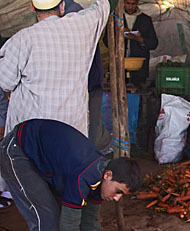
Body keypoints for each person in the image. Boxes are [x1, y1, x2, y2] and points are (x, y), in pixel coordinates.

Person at [0, 119, 141, 231]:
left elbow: (90, 223)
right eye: (118, 192)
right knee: (48, 219)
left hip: (43, 157)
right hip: (17, 152)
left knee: (72, 216)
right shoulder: (83, 175)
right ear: (108, 175)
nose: (116, 198)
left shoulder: (100, 180)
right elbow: (68, 229)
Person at [0, 0, 116, 137]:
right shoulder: (81, 27)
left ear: (32, 7)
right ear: (62, 6)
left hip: (31, 133)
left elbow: (5, 82)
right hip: (71, 133)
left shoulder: (22, 39)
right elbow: (106, 5)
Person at [64, 0, 111, 154]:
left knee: (90, 122)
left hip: (89, 82)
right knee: (89, 122)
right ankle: (90, 153)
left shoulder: (76, 18)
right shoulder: (78, 18)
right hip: (86, 82)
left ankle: (90, 155)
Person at [121, 0, 158, 86]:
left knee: (138, 91)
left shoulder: (145, 19)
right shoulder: (116, 19)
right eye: (128, 3)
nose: (130, 7)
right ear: (123, 3)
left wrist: (140, 39)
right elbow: (106, 41)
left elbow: (154, 43)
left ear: (137, 3)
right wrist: (119, 35)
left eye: (133, 4)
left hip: (139, 66)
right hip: (119, 65)